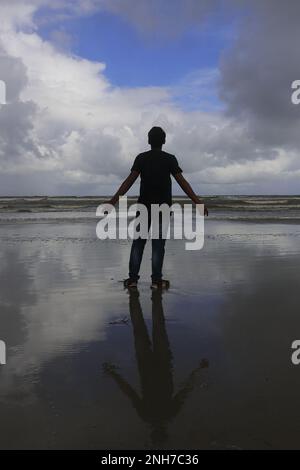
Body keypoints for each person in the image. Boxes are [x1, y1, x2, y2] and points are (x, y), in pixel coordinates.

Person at [108, 126, 208, 289]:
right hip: (162, 208)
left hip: (144, 207)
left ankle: (132, 280)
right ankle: (156, 281)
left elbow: (129, 181)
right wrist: (197, 201)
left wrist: (113, 200)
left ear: (149, 141)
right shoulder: (170, 159)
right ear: (164, 141)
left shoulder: (141, 158)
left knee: (138, 243)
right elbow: (182, 182)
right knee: (158, 244)